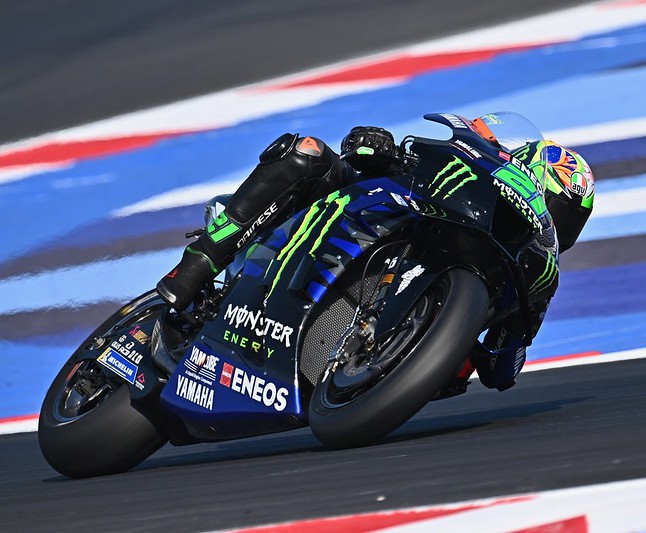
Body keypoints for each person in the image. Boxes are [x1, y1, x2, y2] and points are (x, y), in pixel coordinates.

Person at [157, 117, 594, 392]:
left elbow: (505, 369)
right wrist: (374, 148)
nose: (551, 217)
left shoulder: (535, 274)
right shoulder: (459, 177)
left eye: (566, 216)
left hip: (377, 370)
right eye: (550, 199)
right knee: (306, 150)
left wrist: (483, 348)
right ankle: (196, 266)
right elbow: (370, 157)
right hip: (348, 232)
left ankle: (373, 357)